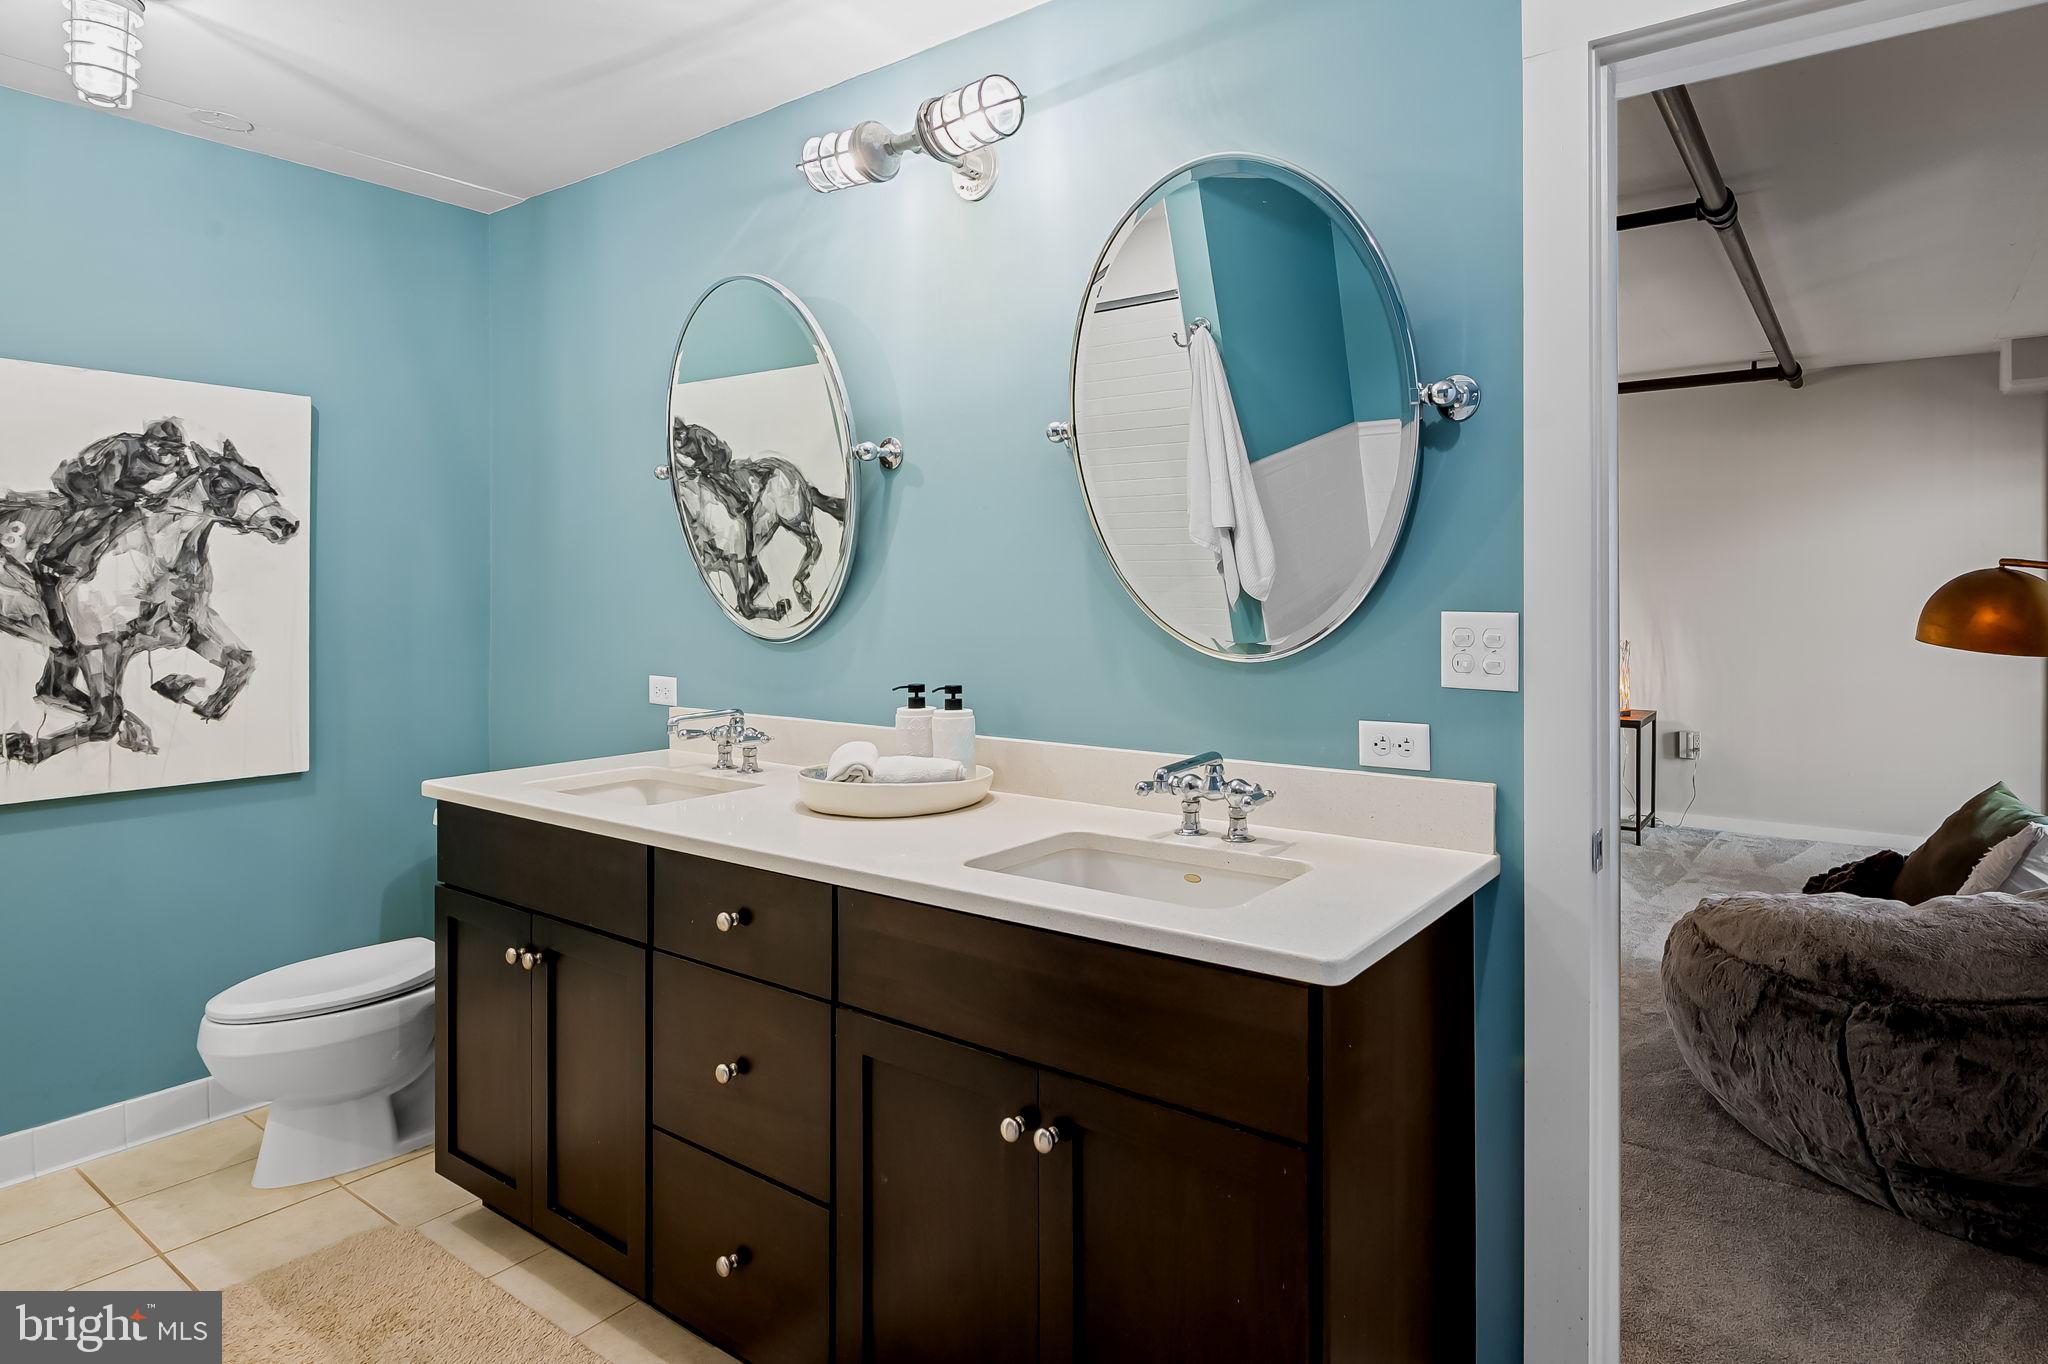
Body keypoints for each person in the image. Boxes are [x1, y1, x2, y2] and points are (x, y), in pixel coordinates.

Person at [37, 417, 195, 646]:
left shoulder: (177, 457)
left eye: (172, 451)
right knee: (98, 514)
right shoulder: (122, 447)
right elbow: (107, 487)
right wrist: (143, 496)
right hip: (86, 483)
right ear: (147, 443)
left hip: (129, 490)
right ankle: (54, 556)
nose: (166, 456)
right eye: (162, 449)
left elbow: (186, 480)